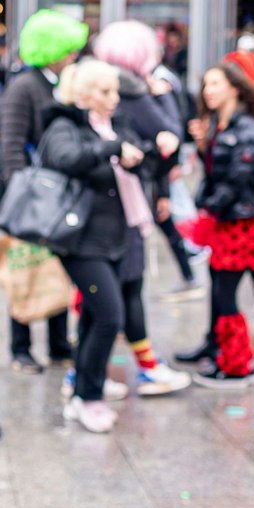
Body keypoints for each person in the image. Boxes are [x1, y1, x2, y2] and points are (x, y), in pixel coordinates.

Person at [40, 60, 148, 431]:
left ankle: (82, 393)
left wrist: (147, 154)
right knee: (109, 316)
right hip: (81, 240)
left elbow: (136, 168)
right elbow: (65, 159)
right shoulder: (65, 125)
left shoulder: (111, 126)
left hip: (115, 236)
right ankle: (89, 396)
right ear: (84, 94)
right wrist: (114, 148)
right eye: (105, 92)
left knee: (93, 316)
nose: (113, 99)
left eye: (115, 91)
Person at [93, 22, 194, 395]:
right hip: (118, 209)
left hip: (116, 205)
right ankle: (98, 373)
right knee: (118, 293)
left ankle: (94, 372)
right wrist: (161, 95)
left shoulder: (108, 87)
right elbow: (170, 133)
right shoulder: (133, 91)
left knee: (111, 294)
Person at [0, 9, 90, 372]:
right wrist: (23, 199)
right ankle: (21, 347)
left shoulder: (62, 82)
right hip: (31, 198)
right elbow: (11, 146)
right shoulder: (24, 86)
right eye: (69, 48)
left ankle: (56, 343)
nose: (74, 54)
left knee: (56, 270)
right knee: (25, 271)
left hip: (58, 195)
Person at [179, 62, 254, 387]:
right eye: (206, 85)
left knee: (226, 292)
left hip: (243, 221)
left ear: (234, 87)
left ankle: (237, 362)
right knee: (220, 288)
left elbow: (238, 176)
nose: (208, 91)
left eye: (215, 84)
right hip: (228, 218)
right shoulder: (220, 124)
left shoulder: (246, 127)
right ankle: (223, 352)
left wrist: (210, 205)